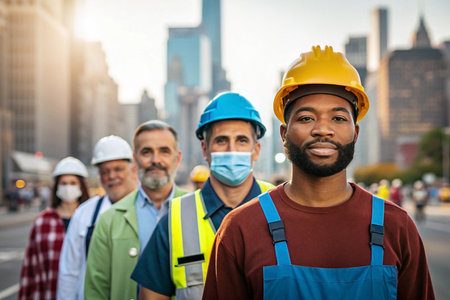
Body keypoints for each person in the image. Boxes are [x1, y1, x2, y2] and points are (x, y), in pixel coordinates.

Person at [203, 46, 434, 300]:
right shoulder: (240, 229)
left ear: (355, 134)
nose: (323, 129)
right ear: (283, 134)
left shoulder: (398, 227)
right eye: (305, 118)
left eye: (338, 118)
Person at [131, 92, 274, 300]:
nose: (232, 150)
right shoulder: (174, 220)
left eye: (242, 140)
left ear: (256, 150)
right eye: (221, 140)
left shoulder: (280, 206)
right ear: (205, 149)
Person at [84, 120, 188, 300]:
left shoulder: (197, 211)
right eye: (147, 152)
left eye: (164, 151)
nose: (155, 160)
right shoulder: (109, 220)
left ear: (177, 159)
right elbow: (96, 290)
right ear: (135, 159)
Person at [57, 135, 138, 300]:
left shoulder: (148, 208)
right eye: (105, 171)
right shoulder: (84, 213)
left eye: (118, 169)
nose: (111, 176)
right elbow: (69, 271)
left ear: (133, 170)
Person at [19, 157, 90, 299]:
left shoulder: (92, 218)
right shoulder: (43, 221)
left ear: (81, 186)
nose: (68, 187)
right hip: (49, 292)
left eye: (73, 183)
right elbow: (31, 265)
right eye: (63, 183)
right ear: (57, 186)